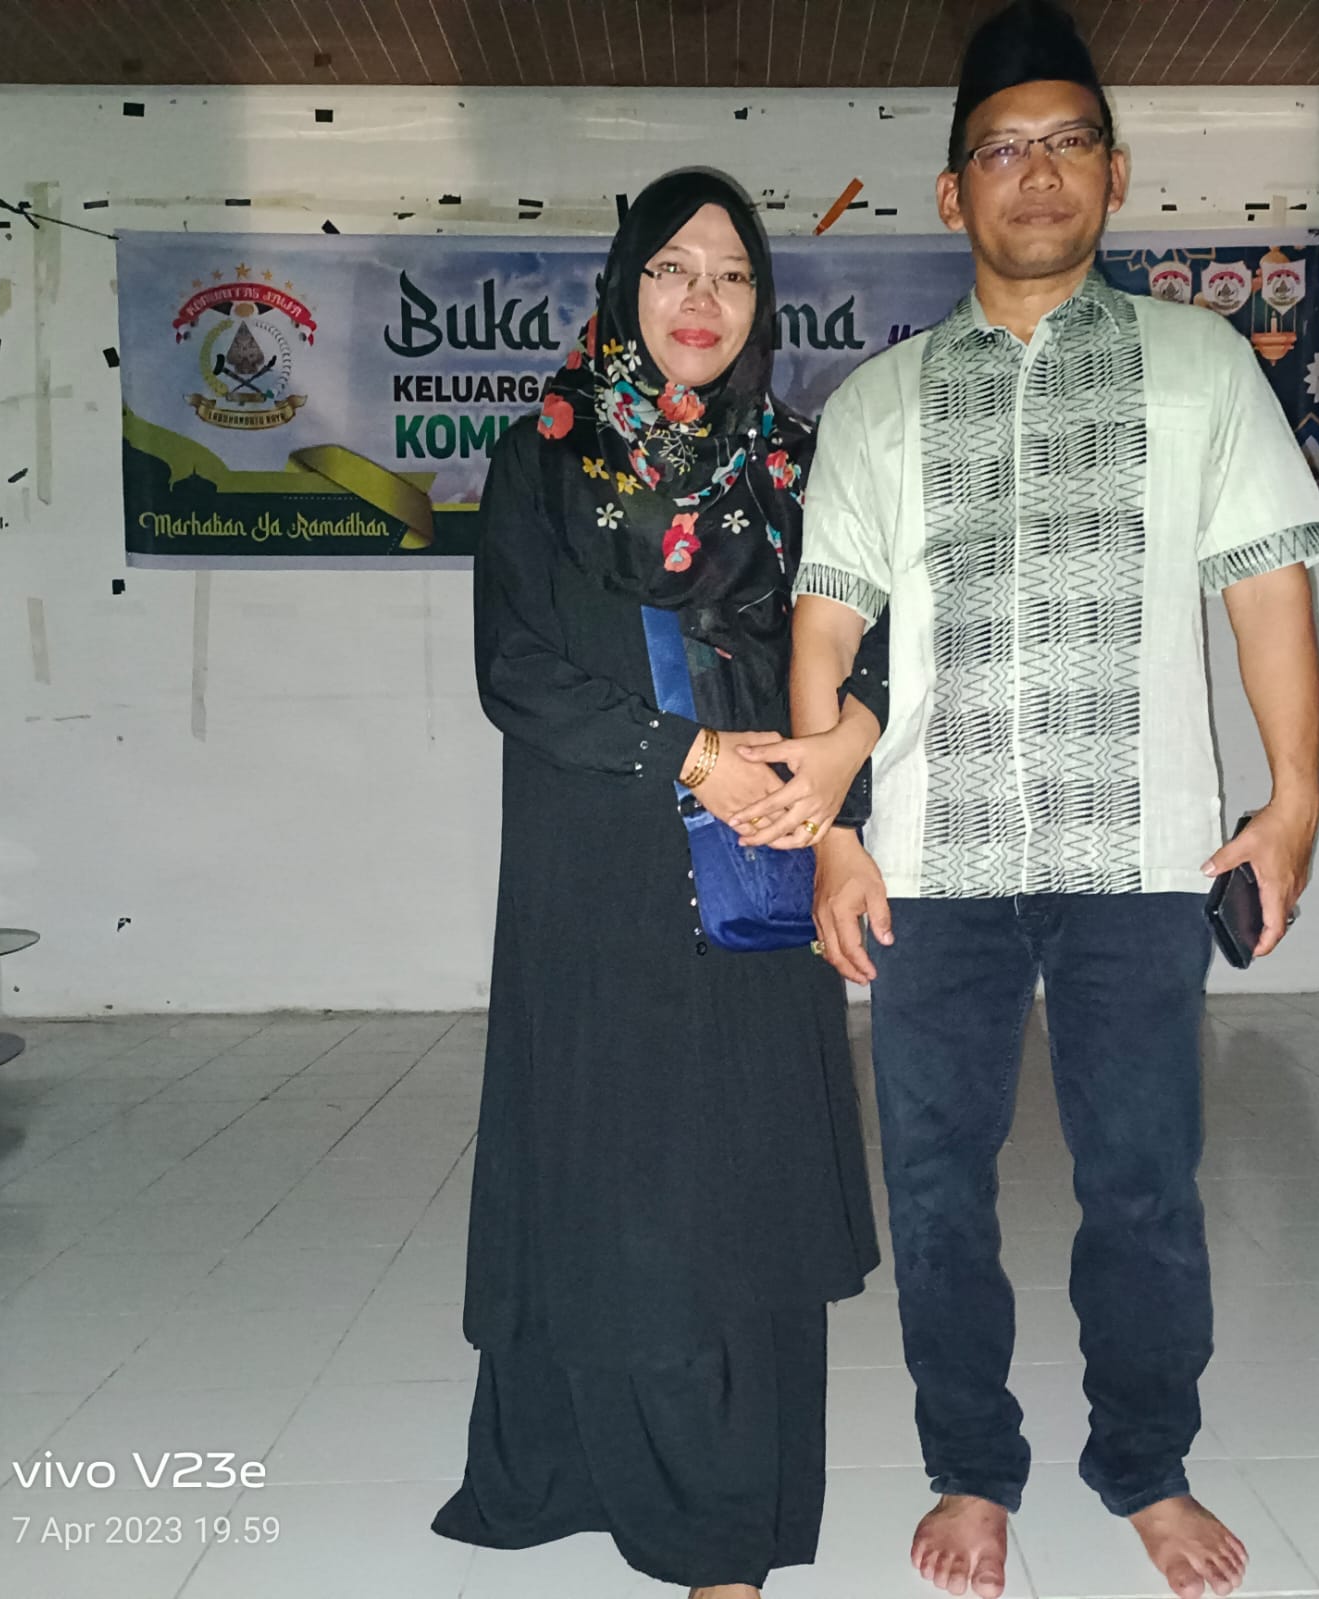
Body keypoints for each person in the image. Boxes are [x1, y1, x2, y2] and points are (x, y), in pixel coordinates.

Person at [766, 4, 1319, 1597]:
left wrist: (1293, 802)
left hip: (1142, 852)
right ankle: (972, 1465)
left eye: (1067, 143)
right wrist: (832, 837)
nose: (1036, 173)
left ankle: (1145, 1464)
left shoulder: (1201, 365)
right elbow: (823, 625)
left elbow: (1267, 588)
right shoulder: (878, 405)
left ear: (1115, 174)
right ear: (952, 192)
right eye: (1002, 150)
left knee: (1143, 1184)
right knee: (938, 1188)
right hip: (930, 855)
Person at [431, 169, 884, 1599]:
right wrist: (688, 756)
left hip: (764, 864)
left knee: (735, 1189)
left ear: (763, 303)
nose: (703, 298)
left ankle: (720, 1533)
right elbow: (517, 669)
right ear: (626, 285)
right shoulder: (544, 458)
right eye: (674, 268)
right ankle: (577, 1464)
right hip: (598, 872)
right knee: (607, 1171)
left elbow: (874, 644)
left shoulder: (803, 467)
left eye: (733, 274)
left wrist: (841, 776)